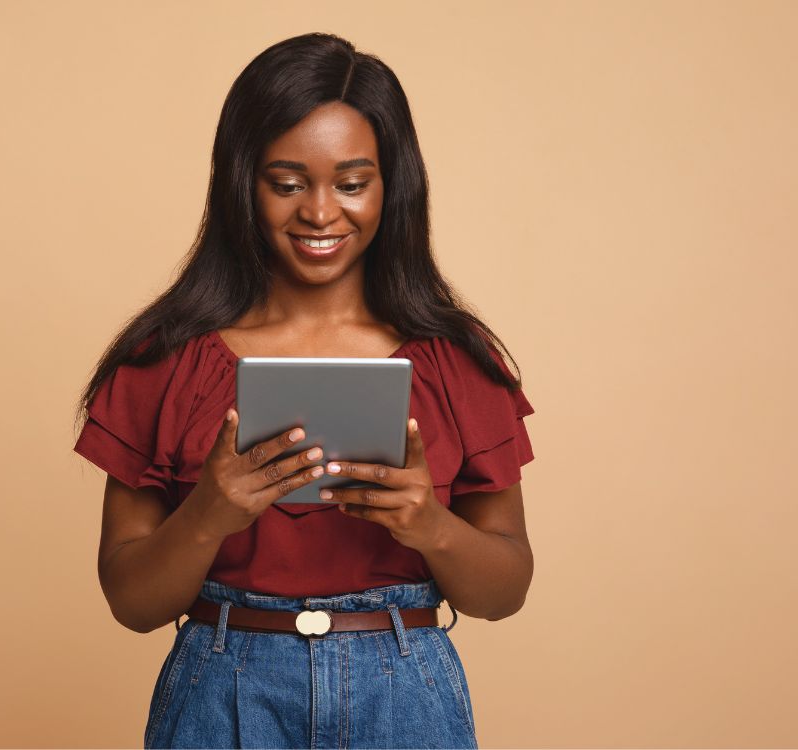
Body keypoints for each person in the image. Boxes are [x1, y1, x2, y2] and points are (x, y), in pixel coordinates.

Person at [72, 31, 536, 750]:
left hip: (404, 694)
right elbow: (131, 601)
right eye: (287, 183)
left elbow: (505, 592)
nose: (321, 213)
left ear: (393, 184)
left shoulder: (454, 360)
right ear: (241, 182)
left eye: (351, 183)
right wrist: (208, 514)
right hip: (223, 691)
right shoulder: (164, 359)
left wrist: (430, 526)